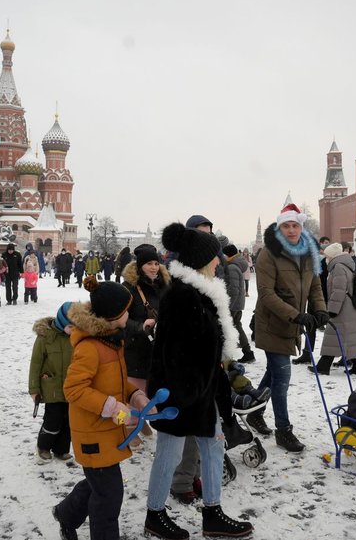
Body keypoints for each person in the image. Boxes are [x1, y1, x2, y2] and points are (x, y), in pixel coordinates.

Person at [144, 222, 254, 540]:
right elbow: (173, 352)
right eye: (214, 257)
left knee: (213, 449)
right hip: (182, 395)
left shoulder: (200, 294)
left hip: (202, 393)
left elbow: (208, 348)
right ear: (201, 261)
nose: (219, 262)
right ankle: (155, 514)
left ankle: (213, 512)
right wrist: (189, 395)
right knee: (170, 452)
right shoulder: (182, 296)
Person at [52, 276, 148, 540]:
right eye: (126, 309)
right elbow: (73, 390)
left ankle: (66, 513)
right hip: (91, 432)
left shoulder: (112, 341)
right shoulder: (90, 347)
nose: (130, 313)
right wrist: (113, 407)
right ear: (112, 316)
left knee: (100, 484)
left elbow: (116, 382)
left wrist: (137, 397)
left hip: (105, 429)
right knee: (109, 494)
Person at [252, 204, 328, 452]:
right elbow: (266, 293)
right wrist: (296, 315)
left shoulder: (308, 252)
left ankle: (254, 409)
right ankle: (283, 431)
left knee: (273, 374)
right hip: (273, 324)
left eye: (295, 225)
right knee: (282, 376)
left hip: (293, 324)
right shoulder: (268, 254)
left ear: (301, 227)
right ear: (279, 228)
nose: (292, 230)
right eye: (287, 225)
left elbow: (315, 286)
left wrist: (320, 309)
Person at [121, 244, 170, 396]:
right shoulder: (128, 288)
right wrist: (141, 327)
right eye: (149, 264)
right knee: (137, 402)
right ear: (140, 266)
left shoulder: (165, 286)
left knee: (158, 402)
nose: (154, 267)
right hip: (137, 353)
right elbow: (120, 320)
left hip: (160, 352)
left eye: (156, 263)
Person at [313, 243, 356, 375]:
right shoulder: (345, 265)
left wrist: (332, 309)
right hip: (349, 308)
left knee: (333, 335)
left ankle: (323, 365)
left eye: (327, 256)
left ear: (332, 256)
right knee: (352, 337)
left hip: (342, 308)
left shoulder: (338, 267)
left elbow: (338, 291)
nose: (325, 258)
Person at [29, 302, 75, 461]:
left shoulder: (76, 337)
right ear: (62, 322)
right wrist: (34, 389)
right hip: (52, 387)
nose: (74, 330)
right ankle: (44, 446)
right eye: (71, 326)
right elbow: (35, 363)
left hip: (71, 388)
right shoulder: (45, 338)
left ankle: (61, 449)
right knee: (53, 420)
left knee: (68, 420)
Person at [222, 244, 254, 363]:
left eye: (224, 254)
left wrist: (228, 306)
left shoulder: (231, 268)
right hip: (236, 304)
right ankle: (248, 352)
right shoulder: (234, 265)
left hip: (233, 305)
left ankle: (246, 352)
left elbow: (233, 290)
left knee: (234, 327)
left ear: (228, 255)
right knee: (237, 326)